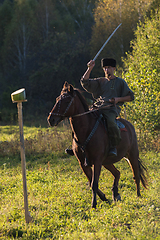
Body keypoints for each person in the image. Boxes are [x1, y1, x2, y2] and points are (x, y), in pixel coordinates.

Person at [66, 58, 134, 157]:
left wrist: (118, 99)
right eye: (105, 68)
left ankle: (113, 147)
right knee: (80, 120)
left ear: (114, 68)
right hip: (97, 108)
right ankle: (77, 146)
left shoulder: (120, 82)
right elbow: (84, 82)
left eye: (109, 68)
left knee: (111, 122)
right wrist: (89, 68)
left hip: (111, 109)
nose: (107, 70)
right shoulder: (100, 81)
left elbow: (131, 97)